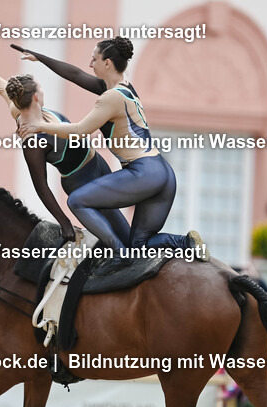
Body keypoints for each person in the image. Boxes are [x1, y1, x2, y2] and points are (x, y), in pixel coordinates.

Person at [13, 38, 208, 267]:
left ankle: (118, 255)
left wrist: (39, 126)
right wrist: (41, 58)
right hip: (164, 174)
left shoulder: (110, 98)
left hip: (144, 173)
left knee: (77, 201)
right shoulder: (123, 88)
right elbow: (75, 75)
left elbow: (80, 130)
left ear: (107, 63)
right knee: (140, 245)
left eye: (94, 59)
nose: (89, 64)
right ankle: (186, 242)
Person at [0, 46, 130, 245]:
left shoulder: (17, 108)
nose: (43, 91)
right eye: (41, 88)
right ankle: (123, 260)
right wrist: (64, 222)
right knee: (117, 235)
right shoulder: (33, 142)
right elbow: (41, 187)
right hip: (81, 180)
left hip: (97, 164)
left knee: (126, 227)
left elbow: (1, 86)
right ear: (35, 96)